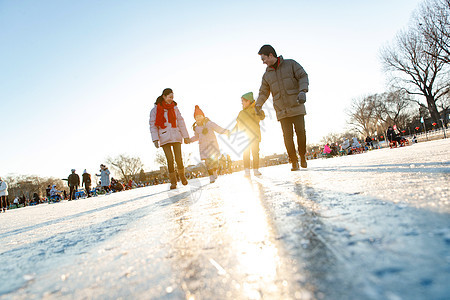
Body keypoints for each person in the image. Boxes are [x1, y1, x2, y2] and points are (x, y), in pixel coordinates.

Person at [255, 45, 309, 170]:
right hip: (281, 109)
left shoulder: (290, 64)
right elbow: (263, 92)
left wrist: (302, 91)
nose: (263, 62)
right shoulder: (266, 75)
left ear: (270, 55)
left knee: (301, 132)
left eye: (264, 59)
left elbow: (303, 76)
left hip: (296, 104)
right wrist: (258, 104)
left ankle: (302, 155)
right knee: (287, 136)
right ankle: (294, 161)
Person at [149, 88, 190, 189]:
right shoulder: (155, 110)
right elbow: (153, 125)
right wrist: (155, 139)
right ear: (164, 96)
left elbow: (181, 122)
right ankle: (173, 182)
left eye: (173, 97)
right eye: (169, 97)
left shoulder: (175, 108)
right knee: (170, 159)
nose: (171, 99)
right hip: (164, 136)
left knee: (178, 158)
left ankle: (182, 176)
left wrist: (186, 136)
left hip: (176, 135)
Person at [189, 105, 230, 183]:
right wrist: (190, 140)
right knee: (207, 163)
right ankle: (211, 175)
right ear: (195, 119)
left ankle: (214, 171)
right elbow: (196, 137)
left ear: (203, 116)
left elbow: (218, 128)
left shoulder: (209, 123)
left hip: (212, 146)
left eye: (200, 116)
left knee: (214, 161)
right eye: (197, 117)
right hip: (203, 147)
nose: (198, 118)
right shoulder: (196, 128)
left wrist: (226, 132)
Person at [232, 92, 265, 177]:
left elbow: (261, 117)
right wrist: (232, 132)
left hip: (255, 136)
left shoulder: (255, 110)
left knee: (255, 153)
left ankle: (256, 170)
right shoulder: (241, 113)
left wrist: (260, 112)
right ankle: (247, 170)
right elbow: (237, 125)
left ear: (248, 101)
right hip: (245, 137)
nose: (242, 103)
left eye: (243, 101)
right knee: (246, 153)